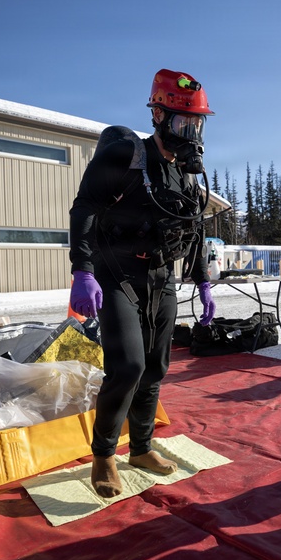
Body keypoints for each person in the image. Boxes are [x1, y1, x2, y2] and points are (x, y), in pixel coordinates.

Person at [69, 69, 217, 498]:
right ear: (158, 116)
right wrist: (82, 270)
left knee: (155, 368)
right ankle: (103, 456)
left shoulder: (186, 175)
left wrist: (202, 281)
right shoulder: (124, 155)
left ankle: (141, 448)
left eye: (197, 124)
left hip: (161, 278)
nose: (190, 133)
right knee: (129, 366)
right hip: (116, 274)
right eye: (182, 122)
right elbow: (84, 209)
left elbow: (194, 228)